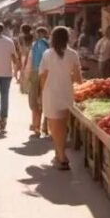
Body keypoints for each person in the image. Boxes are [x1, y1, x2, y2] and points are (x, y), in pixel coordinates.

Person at [39, 27, 82, 171]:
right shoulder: (73, 54)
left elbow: (43, 76)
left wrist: (42, 92)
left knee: (55, 127)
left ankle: (62, 157)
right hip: (67, 93)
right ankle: (59, 153)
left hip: (51, 93)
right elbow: (77, 78)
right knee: (62, 126)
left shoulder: (47, 54)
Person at [28, 27, 50, 137]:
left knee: (36, 101)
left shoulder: (39, 44)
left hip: (37, 73)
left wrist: (27, 76)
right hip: (45, 73)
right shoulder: (48, 44)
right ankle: (43, 126)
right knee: (44, 100)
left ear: (40, 34)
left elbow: (33, 62)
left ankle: (37, 126)